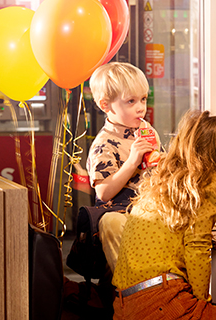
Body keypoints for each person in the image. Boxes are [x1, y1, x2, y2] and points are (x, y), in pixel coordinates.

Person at [112, 110, 216, 320]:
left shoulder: (164, 178)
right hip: (160, 301)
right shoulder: (207, 182)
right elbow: (197, 248)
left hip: (124, 304)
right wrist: (201, 304)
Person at [86, 62, 160, 272]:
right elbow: (104, 192)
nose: (141, 107)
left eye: (143, 99)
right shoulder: (104, 143)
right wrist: (132, 161)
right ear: (105, 105)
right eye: (131, 101)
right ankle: (133, 290)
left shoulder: (146, 131)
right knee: (112, 222)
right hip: (120, 214)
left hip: (148, 211)